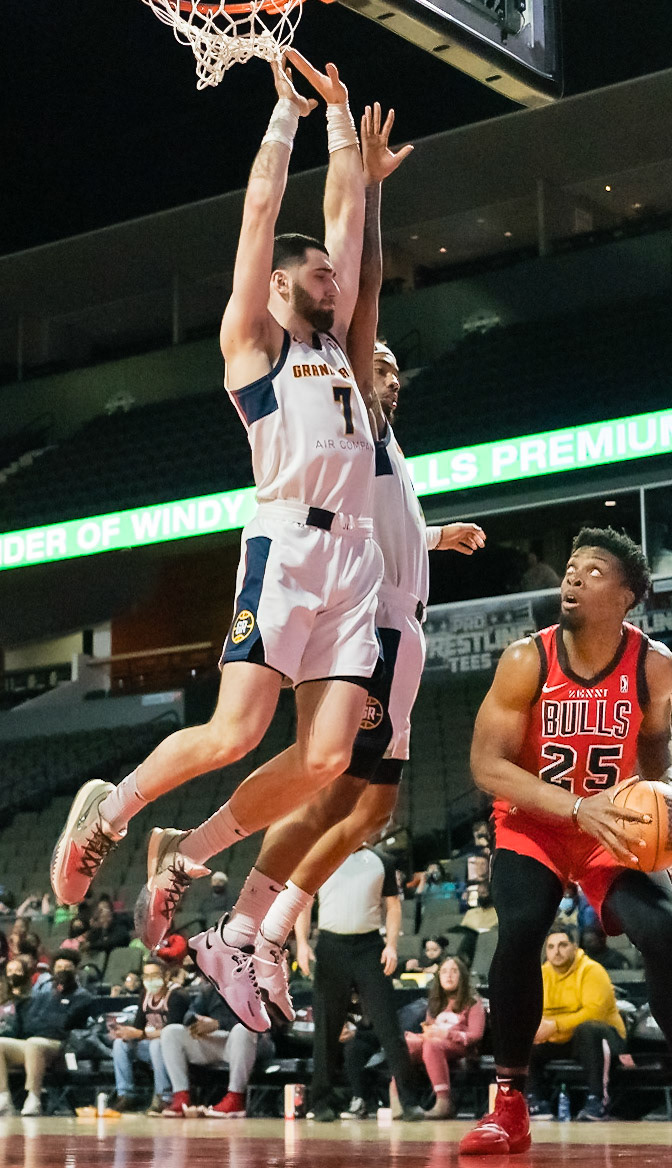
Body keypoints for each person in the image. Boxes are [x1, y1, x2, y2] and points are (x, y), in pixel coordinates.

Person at [52, 52, 381, 957]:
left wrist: (342, 119)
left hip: (356, 560)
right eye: (316, 275)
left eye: (329, 275)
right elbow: (261, 217)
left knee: (325, 759)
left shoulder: (341, 341)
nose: (331, 281)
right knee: (237, 731)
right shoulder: (254, 342)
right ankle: (110, 812)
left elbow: (348, 218)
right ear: (281, 286)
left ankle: (187, 858)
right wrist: (283, 120)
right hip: (288, 539)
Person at [187, 98, 483, 1028]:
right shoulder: (343, 410)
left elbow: (388, 526)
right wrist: (349, 167)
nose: (381, 369)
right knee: (338, 794)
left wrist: (436, 542)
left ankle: (258, 926)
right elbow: (364, 280)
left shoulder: (378, 443)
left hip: (394, 615)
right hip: (369, 616)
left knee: (367, 813)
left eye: (391, 366)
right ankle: (251, 926)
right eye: (374, 360)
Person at [457, 526, 672, 1156]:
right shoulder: (526, 659)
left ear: (628, 595)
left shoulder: (654, 664)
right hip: (535, 821)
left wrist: (668, 795)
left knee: (663, 930)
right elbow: (486, 764)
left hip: (611, 826)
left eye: (591, 570)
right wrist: (575, 807)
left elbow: (658, 744)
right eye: (570, 568)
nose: (572, 577)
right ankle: (509, 1103)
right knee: (524, 926)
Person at [294, 843, 424, 1122]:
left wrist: (391, 945)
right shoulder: (320, 854)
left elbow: (392, 906)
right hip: (331, 947)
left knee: (389, 1026)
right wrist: (302, 944)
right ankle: (320, 1103)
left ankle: (409, 1101)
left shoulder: (382, 860)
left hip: (369, 947)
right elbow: (304, 902)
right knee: (326, 1030)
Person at [528, 925, 627, 1121]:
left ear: (575, 947)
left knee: (587, 1029)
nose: (556, 951)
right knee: (526, 1034)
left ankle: (597, 1100)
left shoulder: (592, 971)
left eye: (563, 945)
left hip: (605, 1038)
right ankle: (535, 1100)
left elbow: (594, 1013)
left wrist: (555, 1025)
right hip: (563, 1040)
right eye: (551, 947)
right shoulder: (541, 974)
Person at [159, 981, 272, 1118]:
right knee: (171, 1032)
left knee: (242, 1029)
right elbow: (190, 1014)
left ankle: (236, 1098)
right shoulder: (211, 989)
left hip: (254, 1043)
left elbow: (258, 1019)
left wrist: (218, 1024)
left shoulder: (255, 987)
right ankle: (181, 1096)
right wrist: (196, 1021)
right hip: (221, 1043)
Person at [0, 957, 93, 1116]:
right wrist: (46, 1023)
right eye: (59, 967)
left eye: (67, 967)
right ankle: (4, 1096)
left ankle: (34, 1097)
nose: (62, 971)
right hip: (34, 1042)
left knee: (34, 1043)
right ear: (52, 971)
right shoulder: (43, 994)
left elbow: (64, 1024)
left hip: (62, 1045)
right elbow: (29, 1023)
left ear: (75, 970)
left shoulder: (82, 996)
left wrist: (44, 1024)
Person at [405, 956, 485, 1118]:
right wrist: (426, 1034)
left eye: (454, 971)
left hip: (461, 1047)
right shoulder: (435, 1002)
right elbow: (430, 1028)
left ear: (462, 976)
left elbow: (476, 1035)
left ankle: (443, 1102)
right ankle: (400, 1100)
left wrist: (447, 1034)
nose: (448, 976)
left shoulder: (473, 1002)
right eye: (444, 972)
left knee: (432, 1044)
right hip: (434, 1044)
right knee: (404, 1044)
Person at [110, 958, 185, 1113]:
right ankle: (125, 1094)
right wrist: (125, 1032)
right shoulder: (145, 995)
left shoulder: (177, 995)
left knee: (157, 1044)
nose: (150, 980)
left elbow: (173, 1030)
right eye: (146, 976)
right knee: (120, 1044)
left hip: (174, 1049)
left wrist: (141, 1033)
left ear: (166, 975)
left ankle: (163, 1097)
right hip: (150, 1044)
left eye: (154, 975)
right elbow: (138, 1026)